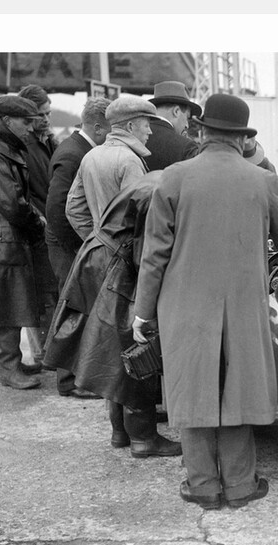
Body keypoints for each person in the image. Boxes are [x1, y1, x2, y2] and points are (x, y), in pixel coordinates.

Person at [132, 93, 278, 509]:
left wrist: (142, 311)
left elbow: (155, 255)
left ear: (202, 132)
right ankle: (240, 485)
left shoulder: (173, 178)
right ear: (241, 139)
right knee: (239, 387)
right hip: (243, 304)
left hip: (183, 304)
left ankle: (202, 484)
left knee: (193, 387)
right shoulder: (262, 180)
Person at [44, 172, 180, 458]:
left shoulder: (160, 179)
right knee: (138, 344)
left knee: (113, 349)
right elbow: (147, 256)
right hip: (115, 263)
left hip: (100, 257)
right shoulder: (163, 193)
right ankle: (143, 437)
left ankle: (121, 431)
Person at [0, 95, 47, 389]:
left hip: (5, 232)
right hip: (3, 232)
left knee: (10, 297)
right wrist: (36, 223)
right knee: (7, 299)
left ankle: (7, 363)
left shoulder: (2, 148)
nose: (30, 128)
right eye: (25, 122)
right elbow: (12, 204)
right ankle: (7, 366)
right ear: (6, 121)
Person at [43, 96, 111, 399]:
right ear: (98, 127)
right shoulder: (73, 154)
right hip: (67, 245)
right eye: (111, 130)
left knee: (76, 306)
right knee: (72, 307)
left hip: (70, 243)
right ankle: (68, 380)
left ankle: (74, 375)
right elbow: (57, 208)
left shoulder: (79, 149)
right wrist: (80, 246)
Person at [65, 95, 156, 241]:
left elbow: (73, 209)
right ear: (130, 127)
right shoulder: (130, 160)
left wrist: (97, 240)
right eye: (147, 125)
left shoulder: (90, 156)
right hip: (125, 255)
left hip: (102, 253)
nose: (150, 131)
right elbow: (138, 217)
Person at [16, 84, 59, 369]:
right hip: (37, 228)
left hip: (49, 226)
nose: (46, 118)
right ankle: (43, 353)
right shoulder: (24, 147)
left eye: (48, 113)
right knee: (41, 294)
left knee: (50, 291)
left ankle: (49, 351)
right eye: (40, 114)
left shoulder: (46, 142)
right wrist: (39, 220)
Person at [143, 80, 200, 171]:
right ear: (176, 111)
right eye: (186, 118)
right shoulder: (186, 146)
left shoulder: (137, 138)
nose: (187, 125)